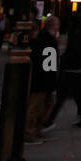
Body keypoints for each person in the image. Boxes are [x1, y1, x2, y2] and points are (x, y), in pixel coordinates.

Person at [44, 15, 81, 130]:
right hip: (80, 70)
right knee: (78, 97)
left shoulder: (74, 34)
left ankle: (49, 121)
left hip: (71, 70)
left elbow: (73, 52)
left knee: (62, 97)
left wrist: (64, 60)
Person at [26, 15, 59, 144]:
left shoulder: (45, 37)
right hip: (42, 79)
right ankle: (28, 133)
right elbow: (48, 62)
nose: (58, 27)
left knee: (47, 103)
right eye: (56, 25)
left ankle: (36, 129)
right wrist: (52, 79)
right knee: (35, 106)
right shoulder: (48, 39)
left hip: (43, 78)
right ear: (52, 26)